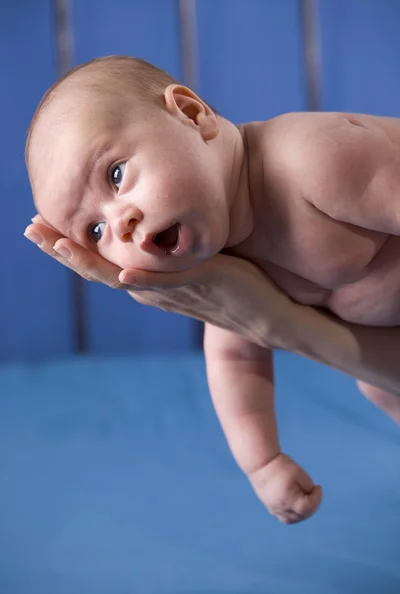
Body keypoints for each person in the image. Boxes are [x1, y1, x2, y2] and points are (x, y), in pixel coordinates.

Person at [24, 55, 400, 524]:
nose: (120, 224)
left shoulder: (313, 161)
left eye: (116, 174)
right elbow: (236, 359)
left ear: (191, 114)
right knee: (381, 388)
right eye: (94, 231)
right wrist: (264, 464)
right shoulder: (226, 267)